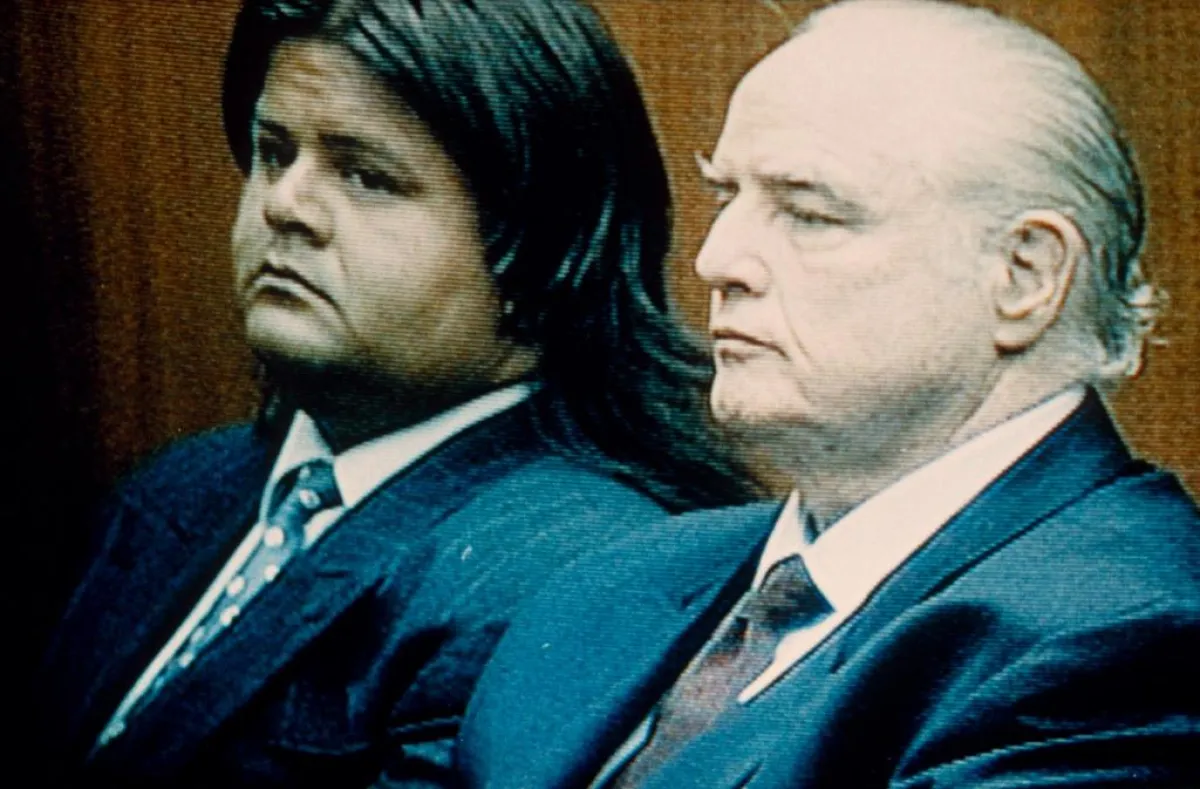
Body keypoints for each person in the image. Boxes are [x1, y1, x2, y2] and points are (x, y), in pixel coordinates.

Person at [458, 1, 1200, 786]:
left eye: (809, 214)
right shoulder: (615, 580)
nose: (717, 260)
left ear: (1025, 276)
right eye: (725, 197)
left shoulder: (1122, 635)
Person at [32, 0, 756, 786]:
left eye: (366, 176)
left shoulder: (569, 570)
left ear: (536, 248)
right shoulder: (174, 488)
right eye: (274, 153)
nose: (284, 204)